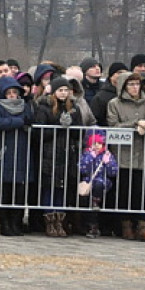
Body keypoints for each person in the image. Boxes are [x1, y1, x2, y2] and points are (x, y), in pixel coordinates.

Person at [106, 72, 145, 241]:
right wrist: (134, 124)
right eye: (131, 84)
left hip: (142, 156)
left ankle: (143, 226)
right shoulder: (115, 104)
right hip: (123, 155)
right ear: (123, 87)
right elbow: (113, 125)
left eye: (137, 84)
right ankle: (125, 226)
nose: (135, 88)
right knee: (124, 192)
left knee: (143, 193)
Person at [34, 76, 84, 237]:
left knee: (62, 189)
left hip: (67, 153)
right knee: (50, 187)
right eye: (60, 90)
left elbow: (79, 133)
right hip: (50, 153)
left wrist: (71, 126)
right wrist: (59, 126)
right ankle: (49, 221)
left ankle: (59, 220)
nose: (63, 93)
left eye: (66, 90)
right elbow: (40, 132)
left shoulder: (74, 108)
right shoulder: (44, 107)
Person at [0, 76, 35, 236]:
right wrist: (18, 122)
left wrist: (17, 121)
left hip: (22, 151)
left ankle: (16, 223)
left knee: (20, 191)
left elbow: (30, 119)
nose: (13, 96)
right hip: (3, 151)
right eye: (9, 93)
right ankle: (5, 224)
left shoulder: (25, 105)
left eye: (15, 92)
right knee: (4, 190)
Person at [78, 130, 118, 239]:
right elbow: (82, 169)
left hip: (102, 181)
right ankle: (90, 225)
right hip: (88, 181)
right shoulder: (86, 154)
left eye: (100, 144)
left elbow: (113, 172)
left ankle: (95, 201)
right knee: (85, 197)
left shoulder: (107, 155)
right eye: (95, 143)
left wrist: (108, 162)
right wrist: (91, 157)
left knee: (99, 184)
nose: (97, 146)